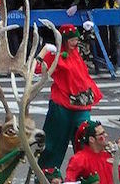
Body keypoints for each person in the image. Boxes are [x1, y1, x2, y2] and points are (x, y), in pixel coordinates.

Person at [38, 25, 103, 169]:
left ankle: (86, 175)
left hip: (81, 106)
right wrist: (43, 52)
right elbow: (37, 68)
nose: (75, 42)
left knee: (85, 141)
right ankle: (47, 176)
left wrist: (88, 32)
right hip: (61, 106)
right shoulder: (55, 54)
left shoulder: (77, 52)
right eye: (72, 40)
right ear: (65, 40)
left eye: (76, 39)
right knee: (54, 143)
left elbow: (88, 48)